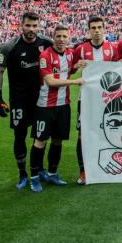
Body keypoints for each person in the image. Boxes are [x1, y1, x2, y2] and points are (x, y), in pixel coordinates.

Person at [0, 11, 53, 190]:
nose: (31, 29)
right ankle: (22, 173)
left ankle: (39, 168)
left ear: (39, 26)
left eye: (35, 26)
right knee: (20, 135)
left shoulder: (46, 43)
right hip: (18, 100)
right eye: (28, 25)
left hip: (41, 99)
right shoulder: (9, 47)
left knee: (41, 135)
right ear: (21, 25)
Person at [29, 25, 86, 193]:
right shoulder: (45, 55)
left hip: (63, 105)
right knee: (40, 141)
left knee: (57, 141)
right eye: (58, 36)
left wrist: (78, 65)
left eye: (64, 36)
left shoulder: (69, 53)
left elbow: (71, 69)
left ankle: (52, 173)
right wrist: (74, 82)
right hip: (45, 106)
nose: (61, 39)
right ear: (53, 37)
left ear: (69, 37)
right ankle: (34, 177)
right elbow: (50, 81)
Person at [73, 16, 118, 185]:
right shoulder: (80, 49)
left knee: (108, 132)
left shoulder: (112, 49)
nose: (97, 30)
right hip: (86, 98)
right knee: (82, 134)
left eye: (99, 27)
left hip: (107, 98)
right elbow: (70, 69)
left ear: (104, 29)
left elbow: (119, 69)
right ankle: (83, 171)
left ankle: (106, 167)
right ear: (89, 30)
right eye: (93, 27)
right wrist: (76, 66)